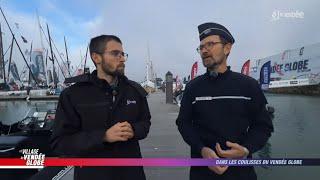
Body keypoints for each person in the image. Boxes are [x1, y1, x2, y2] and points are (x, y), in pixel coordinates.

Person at [176, 22, 274, 180]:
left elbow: (263, 126)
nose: (204, 50)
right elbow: (183, 123)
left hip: (241, 173)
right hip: (202, 172)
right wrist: (202, 150)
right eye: (201, 47)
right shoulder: (193, 87)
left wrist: (246, 149)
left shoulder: (248, 85)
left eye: (210, 44)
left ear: (227, 48)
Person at [50, 35, 151, 180]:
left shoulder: (134, 90)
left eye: (123, 54)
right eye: (115, 53)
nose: (122, 58)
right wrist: (103, 136)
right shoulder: (73, 94)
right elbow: (60, 143)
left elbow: (145, 123)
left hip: (131, 173)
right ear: (96, 58)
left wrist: (134, 130)